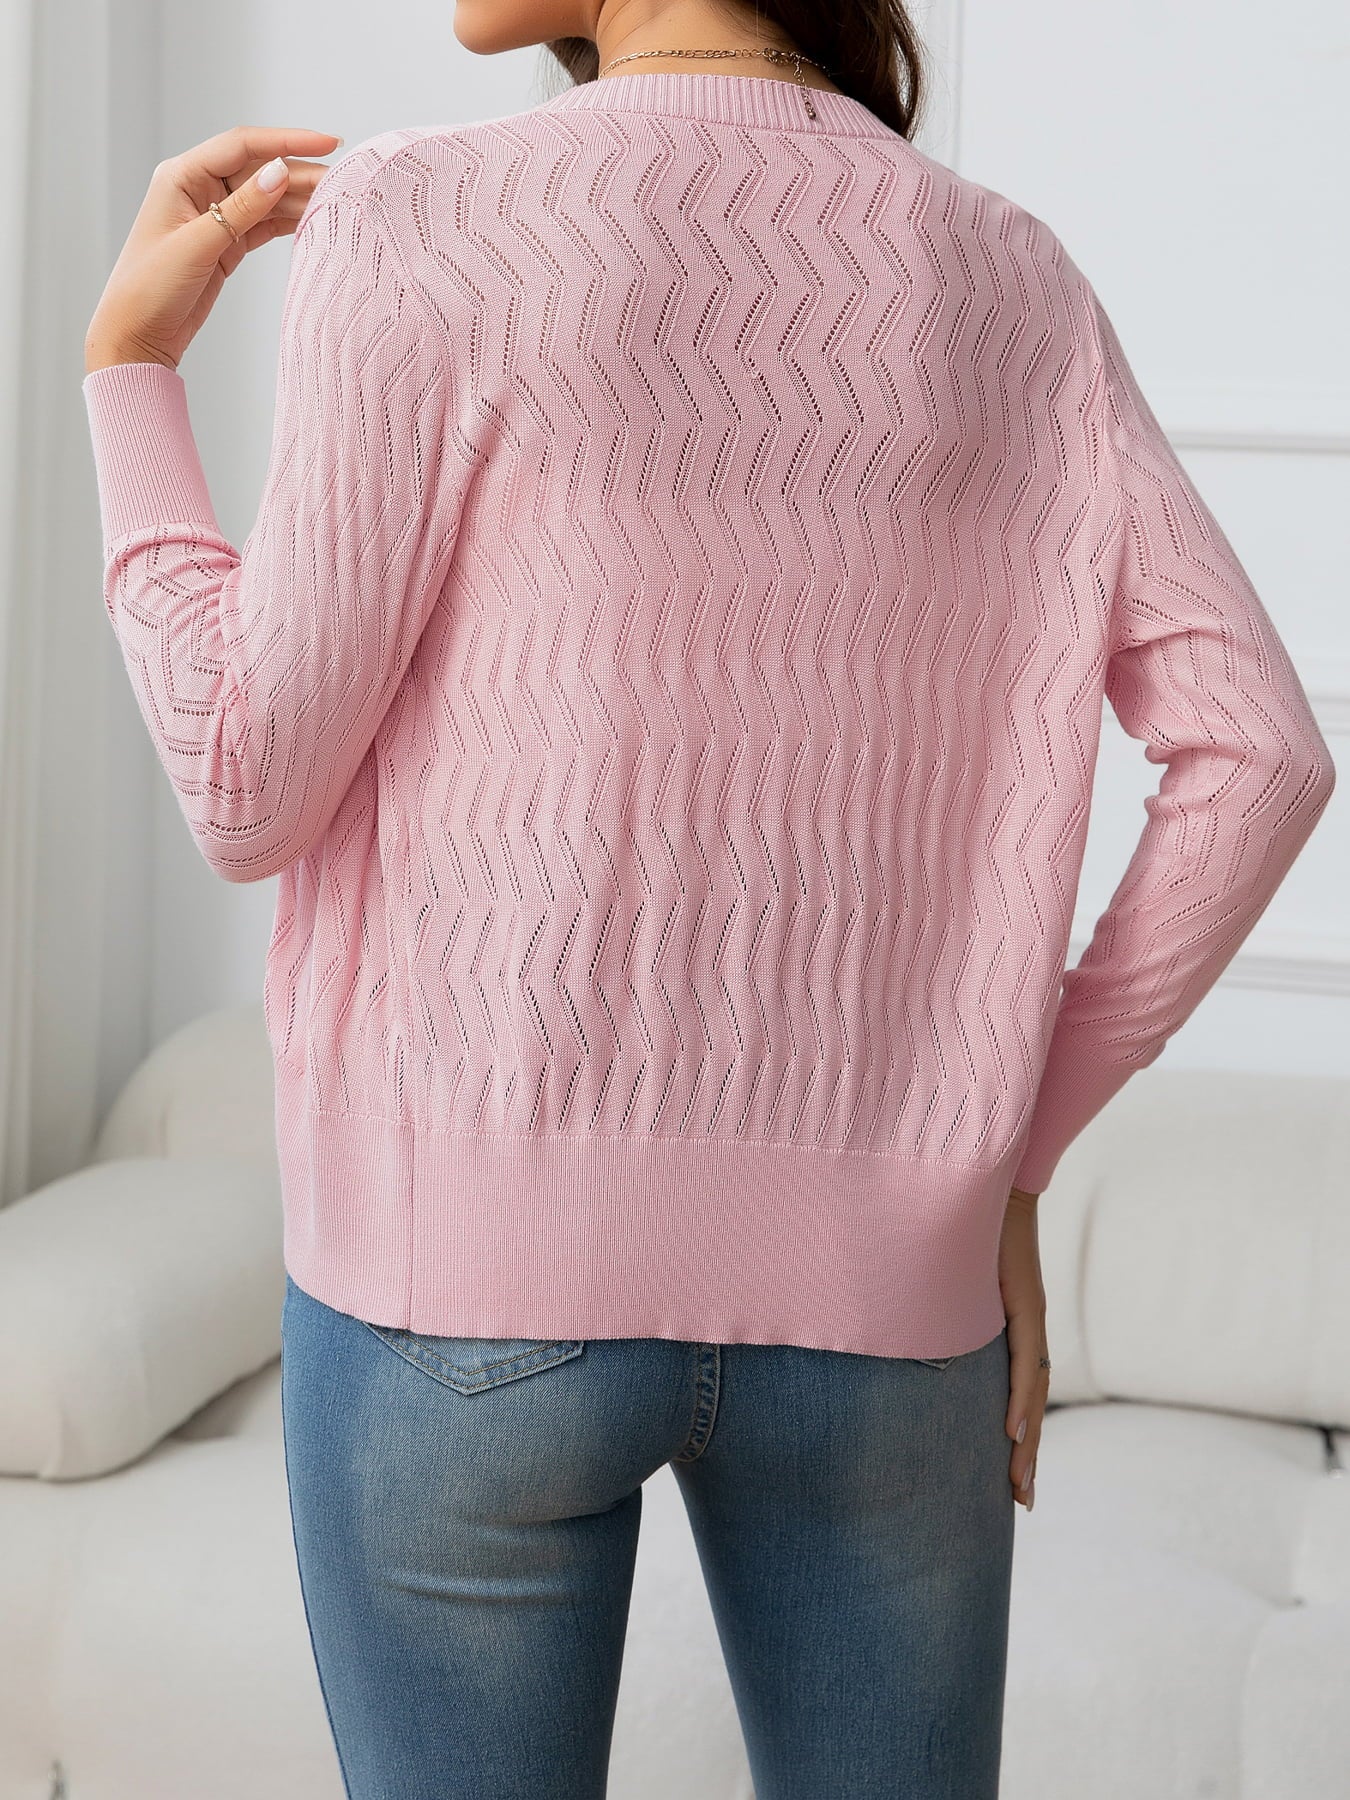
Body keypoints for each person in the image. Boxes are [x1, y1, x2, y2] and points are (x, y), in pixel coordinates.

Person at [79, 1, 1336, 1795]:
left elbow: (244, 786)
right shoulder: (1013, 280)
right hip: (888, 1315)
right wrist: (1004, 1151)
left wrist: (131, 371)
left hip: (458, 1291)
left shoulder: (421, 215)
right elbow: (1260, 754)